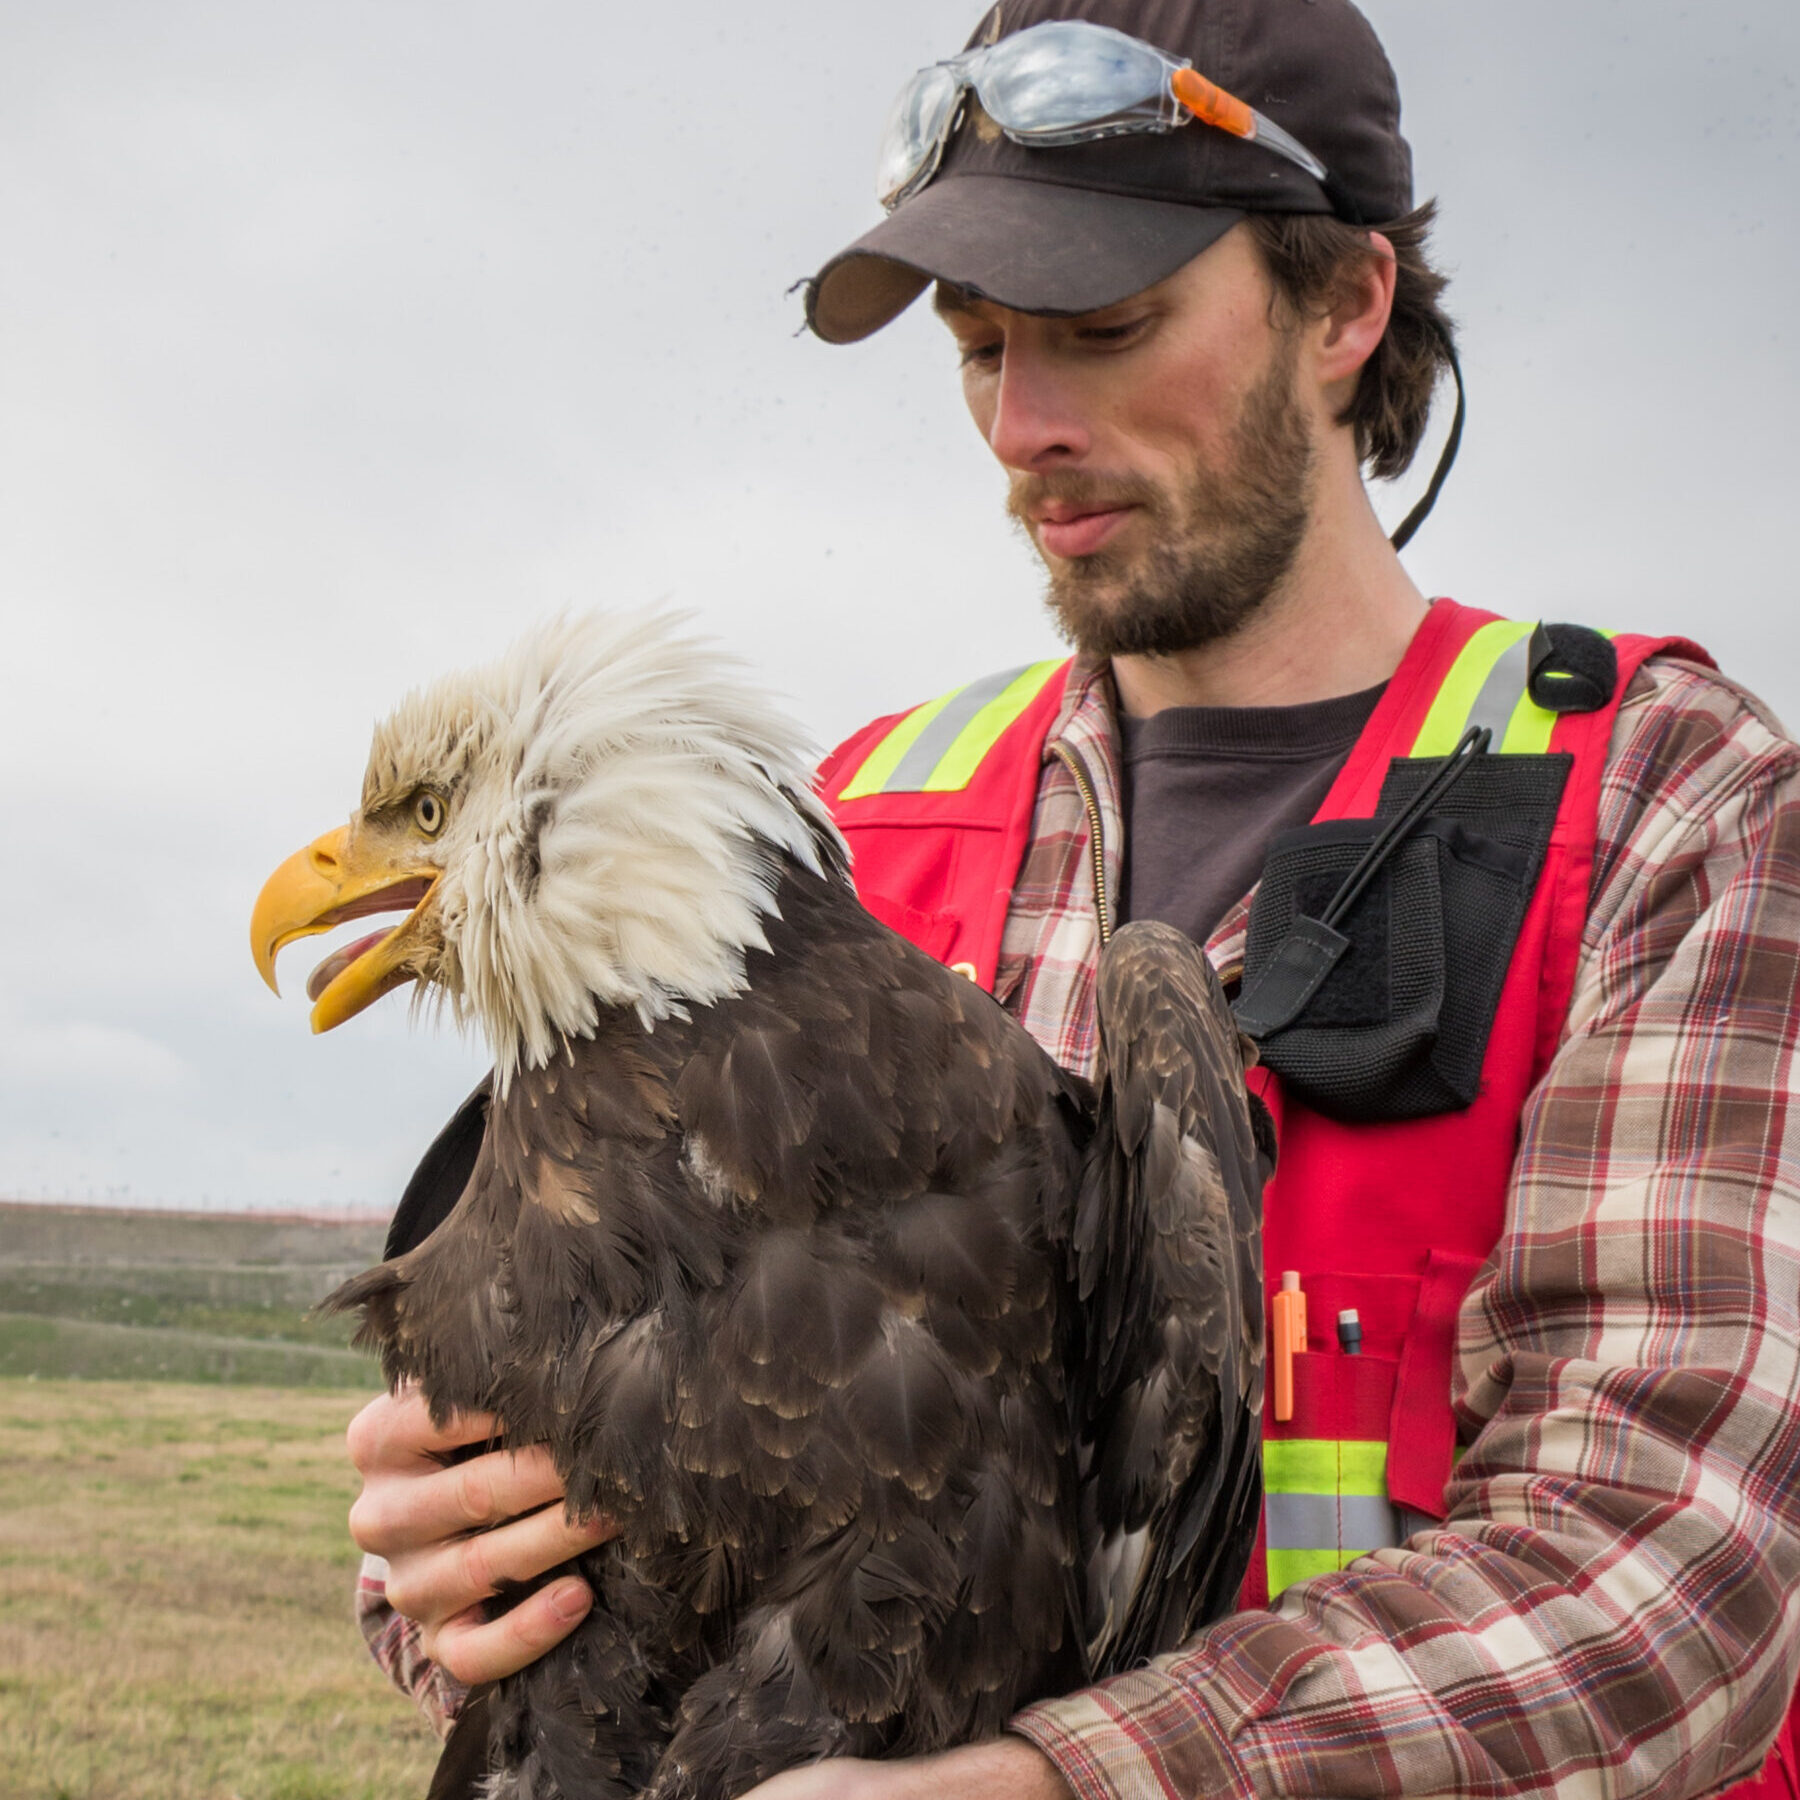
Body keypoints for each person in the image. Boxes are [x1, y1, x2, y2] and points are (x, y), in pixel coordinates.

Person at [345, 2, 1800, 1796]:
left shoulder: (1662, 801)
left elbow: (1675, 1568)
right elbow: (599, 1514)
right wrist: (452, 1564)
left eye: (1108, 332)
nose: (1023, 426)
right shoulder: (832, 839)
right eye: (978, 348)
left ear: (1346, 308)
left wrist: (1065, 1784)